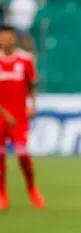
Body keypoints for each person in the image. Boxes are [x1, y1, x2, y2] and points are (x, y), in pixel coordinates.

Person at [0, 25, 44, 210]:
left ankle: (32, 188)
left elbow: (31, 86)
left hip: (19, 117)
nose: (6, 40)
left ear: (14, 38)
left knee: (22, 155)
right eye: (3, 37)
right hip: (2, 116)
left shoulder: (25, 60)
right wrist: (4, 113)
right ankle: (2, 194)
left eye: (9, 36)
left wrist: (32, 106)